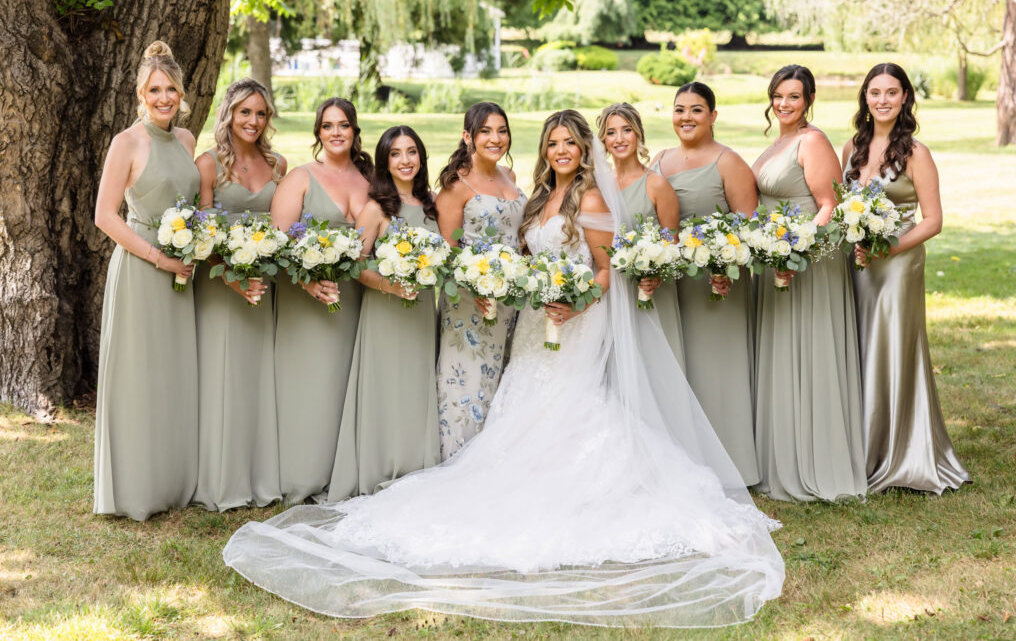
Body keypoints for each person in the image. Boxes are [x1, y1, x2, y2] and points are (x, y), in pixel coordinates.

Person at [224, 110, 784, 629]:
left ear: (583, 150)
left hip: (574, 321)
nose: (561, 150)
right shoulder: (540, 197)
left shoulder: (588, 198)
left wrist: (577, 302)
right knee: (522, 405)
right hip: (529, 323)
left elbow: (607, 271)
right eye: (553, 143)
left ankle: (574, 488)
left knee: (574, 407)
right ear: (543, 150)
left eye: (570, 143)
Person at [842, 63, 970, 494]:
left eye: (891, 92)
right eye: (874, 92)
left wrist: (889, 247)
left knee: (893, 347)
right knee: (858, 346)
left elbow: (933, 220)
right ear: (865, 98)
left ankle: (900, 452)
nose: (882, 100)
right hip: (857, 263)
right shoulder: (851, 148)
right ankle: (857, 447)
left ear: (905, 99)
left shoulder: (917, 153)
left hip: (898, 264)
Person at [93, 41, 199, 521]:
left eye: (170, 89)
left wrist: (191, 251)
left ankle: (172, 481)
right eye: (154, 90)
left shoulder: (187, 141)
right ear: (140, 93)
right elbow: (104, 217)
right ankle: (136, 490)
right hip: (141, 268)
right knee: (139, 376)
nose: (163, 98)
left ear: (181, 92)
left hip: (183, 271)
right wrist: (161, 259)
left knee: (173, 374)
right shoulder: (126, 142)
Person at [751, 65, 866, 502]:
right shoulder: (780, 141)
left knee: (808, 351)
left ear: (809, 101)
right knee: (782, 351)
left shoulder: (812, 140)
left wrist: (796, 252)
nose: (783, 103)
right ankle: (780, 455)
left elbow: (828, 205)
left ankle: (816, 460)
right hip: (777, 256)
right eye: (778, 95)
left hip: (808, 262)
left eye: (793, 97)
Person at [325, 125, 442, 502]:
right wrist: (389, 285)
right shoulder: (376, 209)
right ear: (385, 162)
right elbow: (354, 266)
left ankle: (415, 466)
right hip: (386, 310)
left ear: (421, 157)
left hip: (421, 310)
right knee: (387, 386)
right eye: (396, 153)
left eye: (411, 152)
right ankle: (379, 466)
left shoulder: (432, 205)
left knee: (415, 385)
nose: (405, 160)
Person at [652, 82, 760, 485]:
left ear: (713, 115)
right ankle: (687, 464)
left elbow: (750, 229)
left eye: (696, 110)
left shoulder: (728, 162)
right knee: (682, 372)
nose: (686, 117)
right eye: (680, 109)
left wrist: (724, 263)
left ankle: (732, 466)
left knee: (718, 369)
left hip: (718, 286)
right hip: (671, 284)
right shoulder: (659, 161)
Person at [270, 98, 372, 503]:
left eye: (343, 125)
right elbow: (278, 244)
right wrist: (308, 282)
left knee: (346, 383)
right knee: (311, 385)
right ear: (317, 133)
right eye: (327, 126)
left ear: (354, 131)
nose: (335, 132)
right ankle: (303, 473)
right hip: (307, 299)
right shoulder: (301, 178)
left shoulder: (371, 179)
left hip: (357, 297)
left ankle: (344, 471)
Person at [192, 78, 286, 511]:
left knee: (258, 378)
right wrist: (230, 277)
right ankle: (219, 481)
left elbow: (285, 228)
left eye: (260, 113)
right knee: (222, 377)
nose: (252, 120)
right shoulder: (208, 165)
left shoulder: (279, 165)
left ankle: (260, 477)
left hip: (263, 287)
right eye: (244, 112)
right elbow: (202, 235)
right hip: (220, 287)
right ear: (228, 114)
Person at [435, 102, 526, 459]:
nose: (496, 138)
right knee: (467, 381)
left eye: (502, 130)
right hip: (469, 304)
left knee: (501, 377)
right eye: (486, 131)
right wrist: (475, 288)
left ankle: (493, 460)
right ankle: (459, 459)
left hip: (509, 301)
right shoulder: (456, 186)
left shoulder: (510, 176)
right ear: (467, 136)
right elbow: (447, 251)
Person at [597, 101, 686, 366]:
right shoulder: (597, 187)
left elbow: (672, 243)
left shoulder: (656, 184)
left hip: (649, 292)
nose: (619, 139)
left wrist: (655, 276)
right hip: (611, 292)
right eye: (611, 132)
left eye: (627, 130)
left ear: (638, 134)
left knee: (652, 365)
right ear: (603, 139)